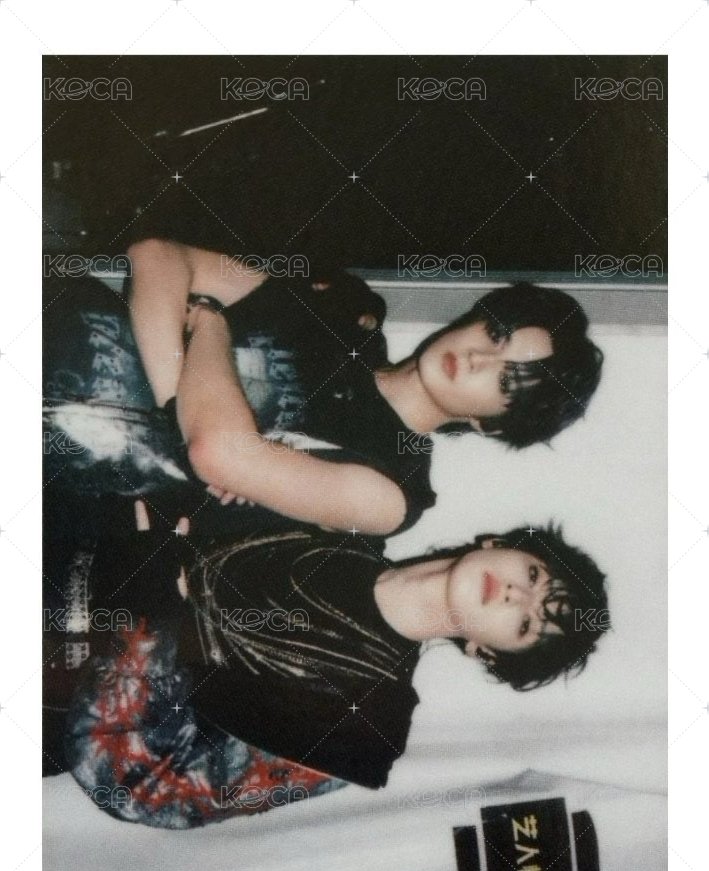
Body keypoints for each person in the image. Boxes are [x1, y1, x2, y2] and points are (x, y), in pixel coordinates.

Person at [48, 503, 610, 829]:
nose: (517, 595)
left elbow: (140, 787)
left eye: (526, 624)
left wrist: (150, 612)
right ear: (499, 542)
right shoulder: (335, 517)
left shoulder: (367, 729)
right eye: (534, 577)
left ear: (484, 652)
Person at [43, 239, 603, 539]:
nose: (480, 357)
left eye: (505, 378)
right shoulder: (340, 319)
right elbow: (160, 257)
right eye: (498, 335)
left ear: (491, 424)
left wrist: (209, 322)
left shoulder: (394, 490)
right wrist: (176, 401)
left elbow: (219, 451)